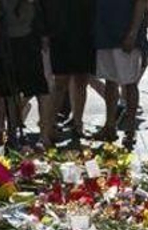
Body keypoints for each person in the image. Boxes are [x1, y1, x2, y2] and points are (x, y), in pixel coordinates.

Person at [93, 0, 147, 146]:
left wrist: (133, 32)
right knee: (110, 81)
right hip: (104, 32)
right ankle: (110, 126)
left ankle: (130, 130)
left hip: (125, 32)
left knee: (129, 83)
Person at [0, 0, 47, 145]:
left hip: (29, 38)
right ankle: (12, 134)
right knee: (10, 91)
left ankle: (45, 135)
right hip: (6, 40)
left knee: (39, 88)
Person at [44, 0, 95, 144]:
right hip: (60, 30)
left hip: (85, 28)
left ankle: (78, 125)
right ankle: (48, 128)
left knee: (81, 80)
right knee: (60, 81)